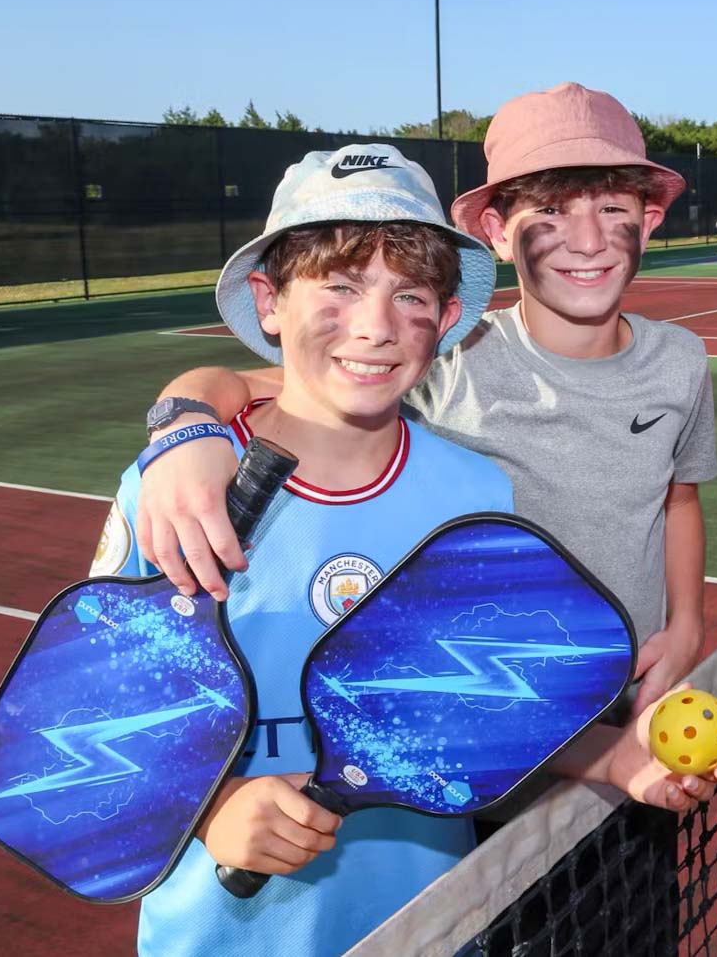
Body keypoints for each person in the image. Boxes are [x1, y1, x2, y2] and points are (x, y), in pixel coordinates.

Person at [132, 84, 717, 816]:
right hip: (472, 706)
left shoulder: (679, 362)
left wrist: (689, 620)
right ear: (500, 232)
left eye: (613, 209)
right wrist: (184, 421)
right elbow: (283, 383)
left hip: (621, 702)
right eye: (550, 211)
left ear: (651, 219)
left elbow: (679, 495)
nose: (587, 238)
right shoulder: (447, 355)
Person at [95, 143, 515, 955]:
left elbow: (485, 705)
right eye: (342, 286)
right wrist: (212, 809)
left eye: (412, 295)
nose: (376, 327)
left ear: (447, 319)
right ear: (270, 301)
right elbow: (93, 716)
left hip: (430, 925)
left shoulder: (479, 496)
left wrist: (615, 758)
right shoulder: (175, 487)